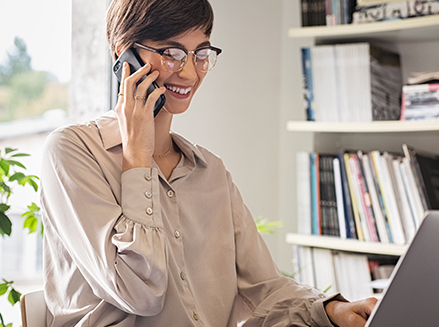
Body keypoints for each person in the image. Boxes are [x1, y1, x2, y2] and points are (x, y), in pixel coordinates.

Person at [39, 0, 377, 326]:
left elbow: (265, 290)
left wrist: (331, 312)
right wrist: (137, 159)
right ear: (124, 52)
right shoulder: (71, 152)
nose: (188, 72)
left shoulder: (210, 172)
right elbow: (139, 293)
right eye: (171, 53)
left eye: (200, 53)